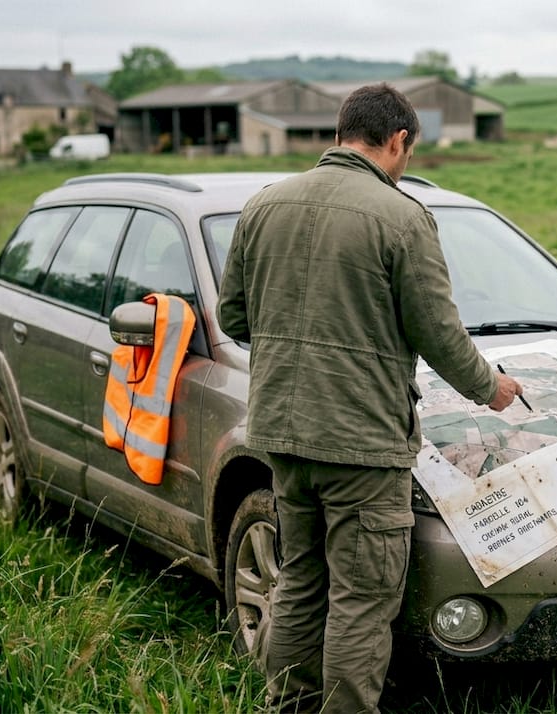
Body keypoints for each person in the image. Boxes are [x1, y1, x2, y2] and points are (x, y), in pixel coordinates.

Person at [217, 83, 522, 714]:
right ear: (398, 140)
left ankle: (289, 706)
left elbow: (234, 318)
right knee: (361, 598)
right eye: (410, 150)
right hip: (362, 444)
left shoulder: (263, 205)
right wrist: (489, 387)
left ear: (341, 131)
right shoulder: (403, 217)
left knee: (300, 581)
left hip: (282, 435)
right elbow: (437, 331)